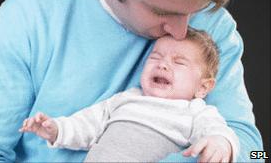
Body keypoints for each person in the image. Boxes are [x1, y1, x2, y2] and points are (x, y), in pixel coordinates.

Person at [0, 0, 263, 162]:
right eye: (162, 12)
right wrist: (54, 130)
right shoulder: (30, 14)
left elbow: (255, 155)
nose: (182, 31)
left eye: (195, 12)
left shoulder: (215, 27)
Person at [19, 29, 239, 162]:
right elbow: (86, 125)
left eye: (179, 62)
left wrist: (220, 143)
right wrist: (55, 129)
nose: (163, 65)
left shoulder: (195, 111)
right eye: (156, 58)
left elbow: (218, 131)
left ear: (202, 88)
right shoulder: (125, 100)